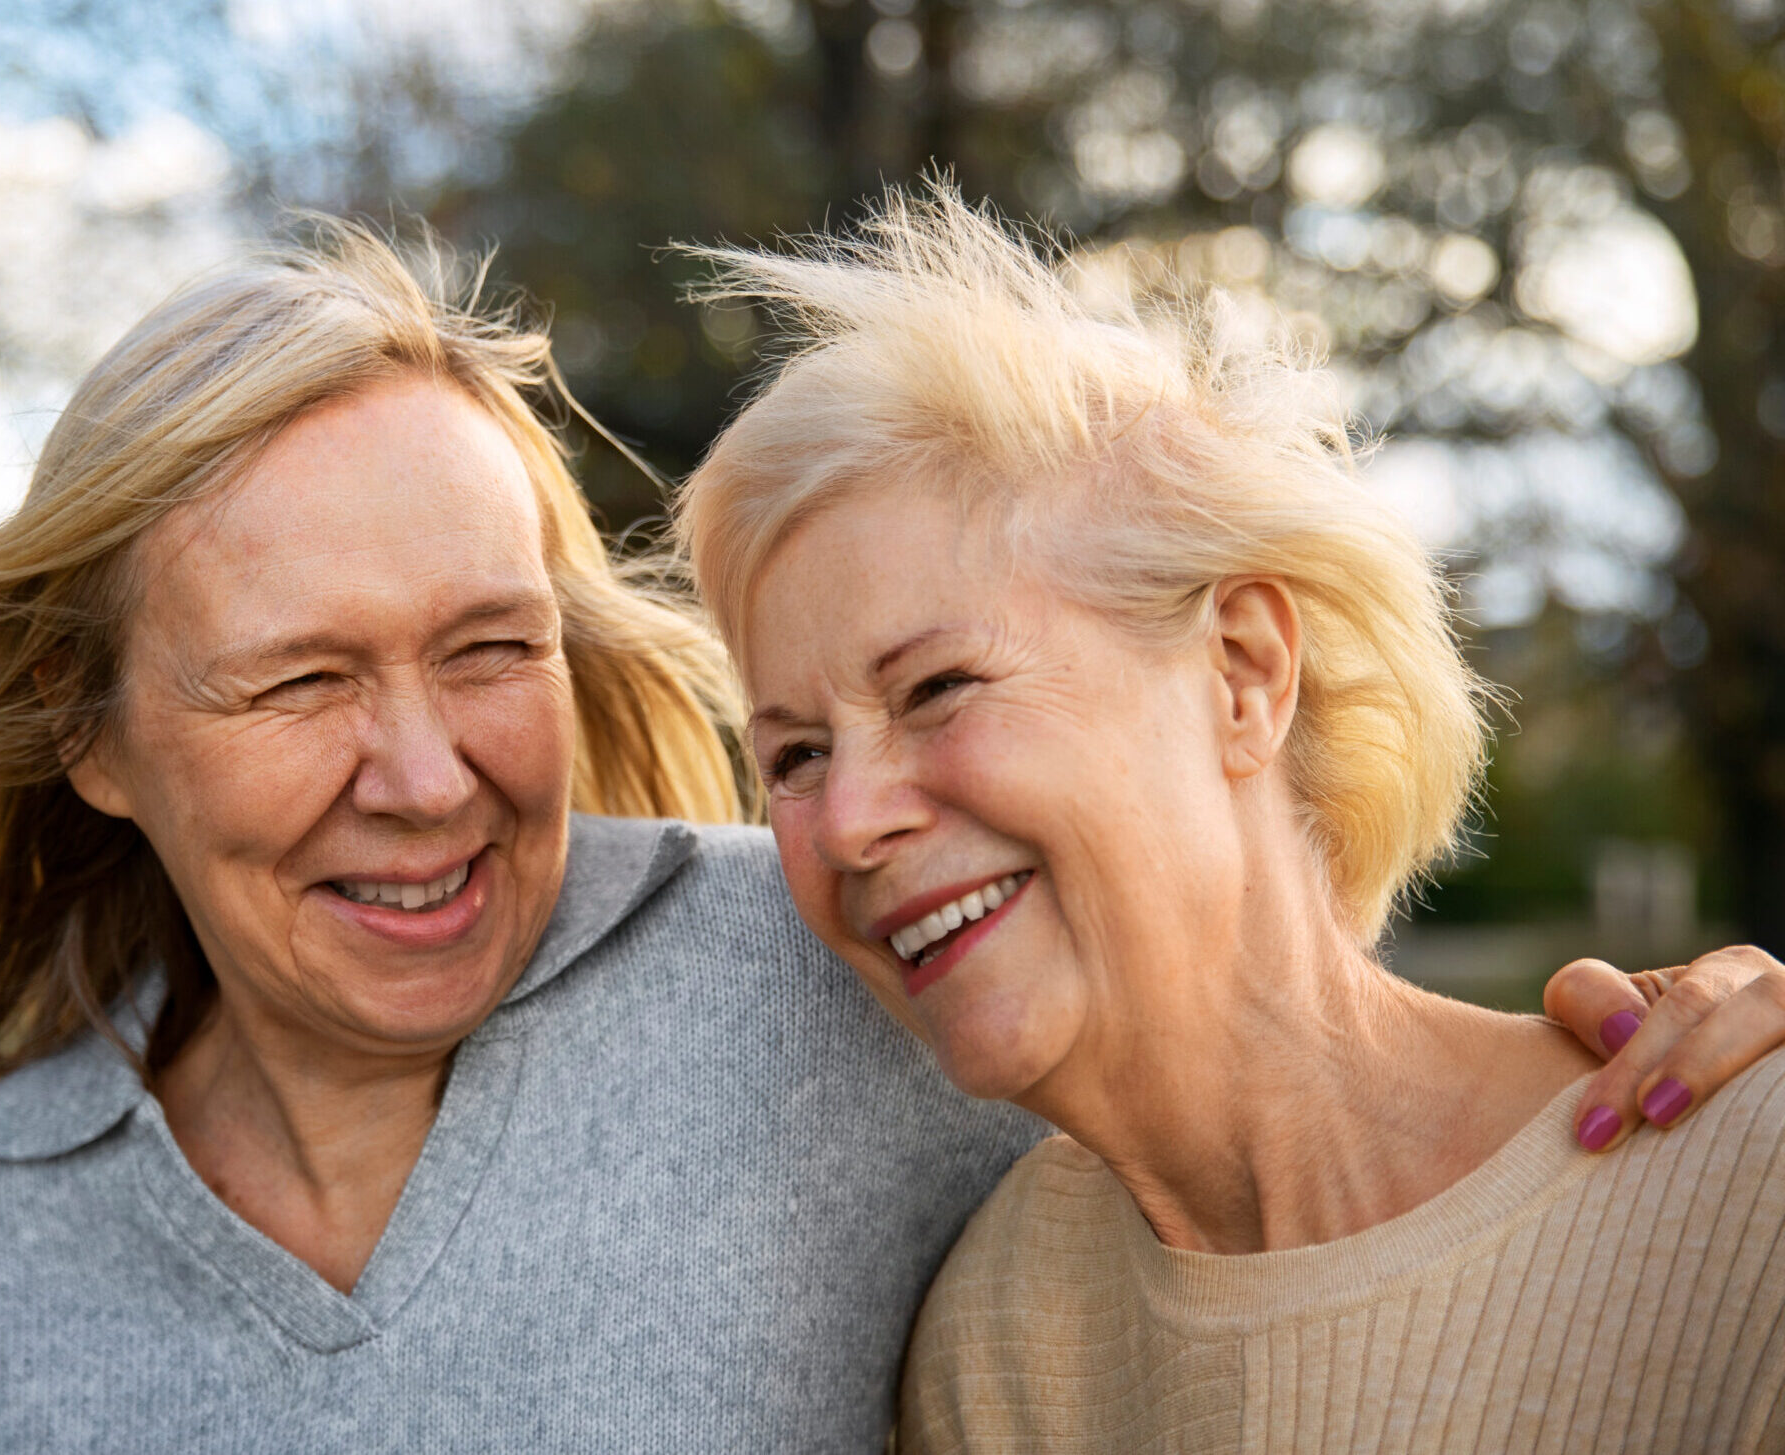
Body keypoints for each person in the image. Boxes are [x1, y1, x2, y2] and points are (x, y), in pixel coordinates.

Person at [0, 218, 1775, 1453]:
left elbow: (1236, 1025)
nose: (419, 773)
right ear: (97, 735)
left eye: (483, 648)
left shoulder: (824, 961)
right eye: (300, 680)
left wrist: (1705, 1051)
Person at [679, 184, 1785, 1453]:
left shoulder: (1744, 1192)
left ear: (1243, 673)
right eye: (796, 755)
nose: (849, 821)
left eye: (938, 688)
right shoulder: (994, 1346)